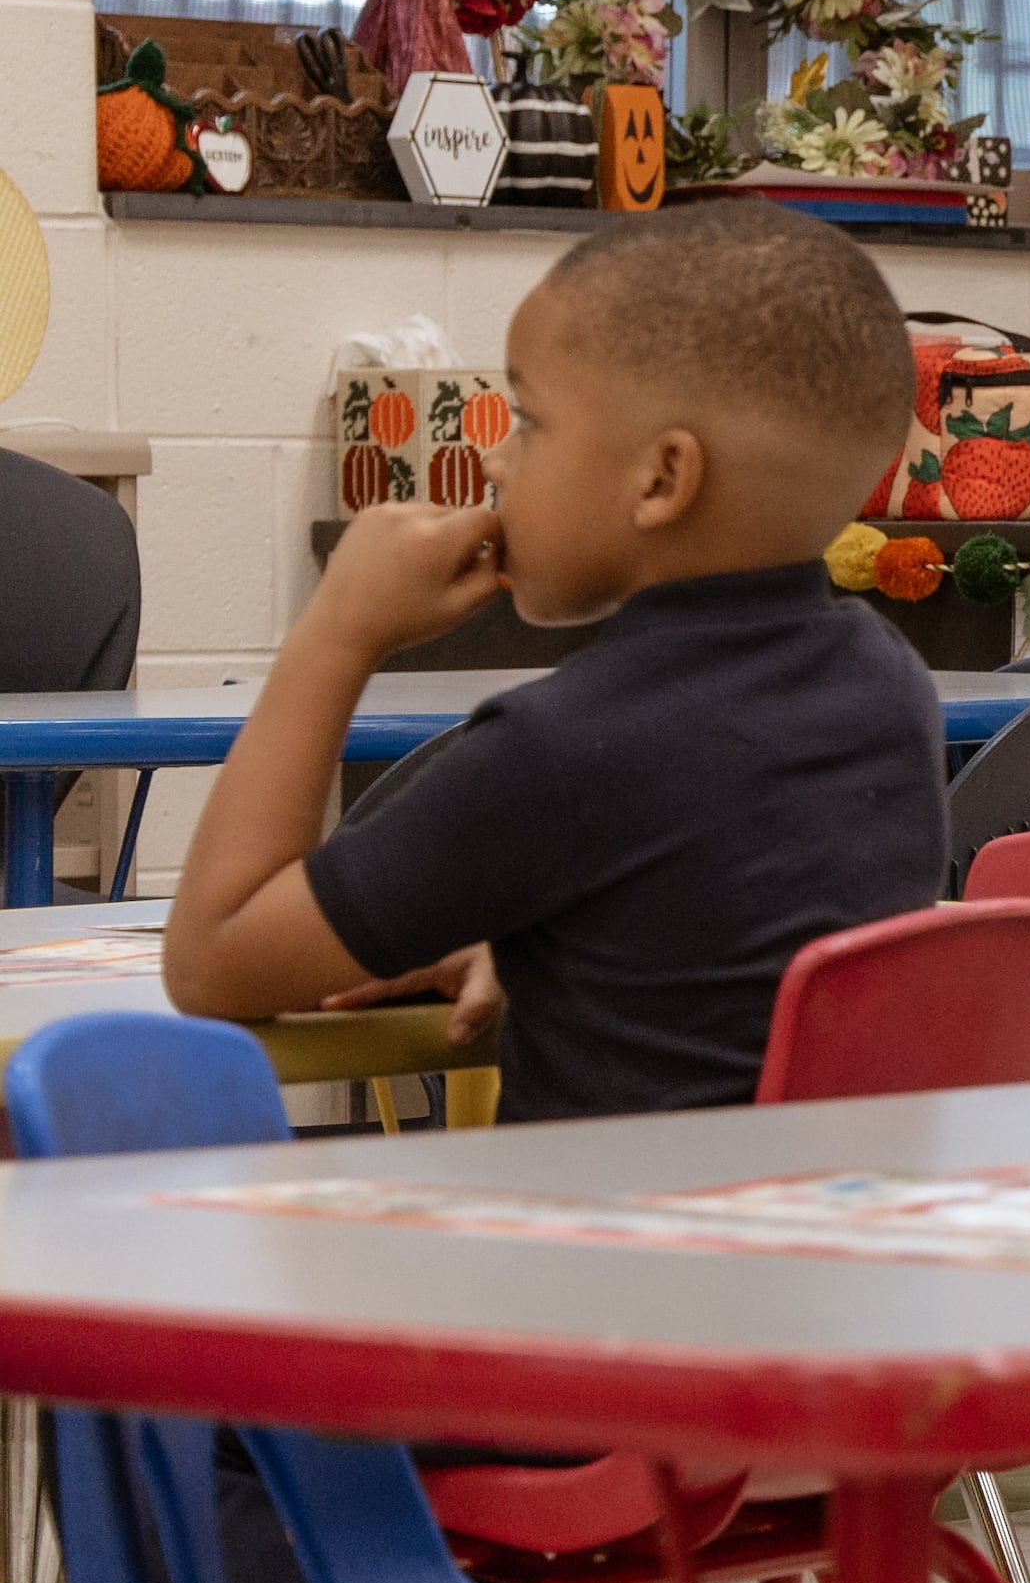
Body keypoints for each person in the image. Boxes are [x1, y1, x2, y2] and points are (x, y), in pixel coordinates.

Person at [163, 200, 947, 1118]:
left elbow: (212, 958)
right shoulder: (890, 688)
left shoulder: (562, 750)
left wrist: (339, 628)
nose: (495, 462)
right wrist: (556, 937)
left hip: (599, 1253)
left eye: (528, 420)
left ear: (662, 478)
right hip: (815, 1238)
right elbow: (724, 941)